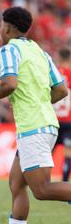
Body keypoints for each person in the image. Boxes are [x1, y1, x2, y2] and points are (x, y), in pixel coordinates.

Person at [0, 7, 70, 224]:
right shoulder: (39, 51)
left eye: (2, 25)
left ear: (9, 28)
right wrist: (37, 101)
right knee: (16, 183)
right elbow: (62, 90)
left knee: (42, 190)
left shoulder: (8, 49)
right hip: (43, 123)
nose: (0, 30)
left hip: (34, 127)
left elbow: (9, 83)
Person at [53, 48, 71, 181]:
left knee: (47, 153)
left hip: (52, 120)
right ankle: (64, 181)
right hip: (68, 120)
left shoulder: (53, 74)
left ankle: (42, 182)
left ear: (59, 57)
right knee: (68, 153)